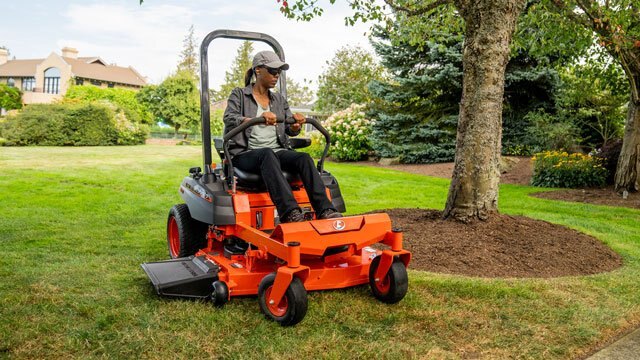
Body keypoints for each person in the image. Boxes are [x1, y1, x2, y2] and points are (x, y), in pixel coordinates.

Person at [223, 50, 342, 223]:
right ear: (258, 70)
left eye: (278, 72)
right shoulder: (240, 95)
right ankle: (290, 213)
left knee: (304, 158)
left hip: (276, 151)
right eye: (272, 71)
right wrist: (254, 120)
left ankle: (325, 210)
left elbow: (289, 130)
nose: (276, 75)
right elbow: (229, 118)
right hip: (245, 153)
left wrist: (295, 126)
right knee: (267, 154)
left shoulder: (278, 99)